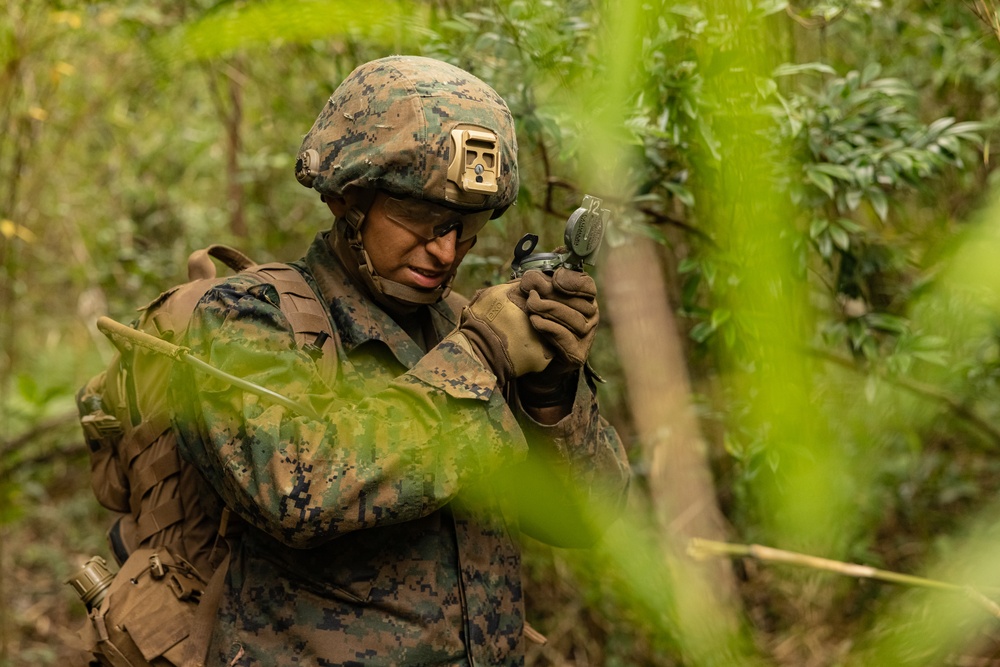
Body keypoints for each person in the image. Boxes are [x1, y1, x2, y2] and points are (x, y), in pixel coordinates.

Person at [170, 55, 630, 667]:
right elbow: (291, 488)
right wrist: (480, 359)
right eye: (419, 217)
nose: (445, 251)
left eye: (466, 226)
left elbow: (583, 520)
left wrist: (553, 393)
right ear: (348, 199)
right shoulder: (246, 317)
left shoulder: (461, 326)